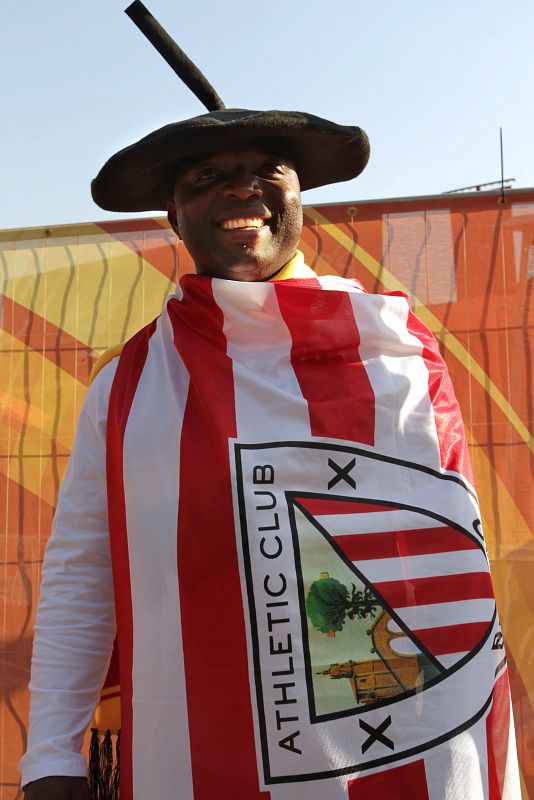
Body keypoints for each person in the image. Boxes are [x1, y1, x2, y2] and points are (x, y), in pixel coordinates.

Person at [20, 8, 520, 800]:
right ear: (174, 216)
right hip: (204, 757)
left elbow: (451, 563)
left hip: (412, 756)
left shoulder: (395, 350)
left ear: (298, 197)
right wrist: (48, 755)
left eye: (265, 171)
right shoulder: (132, 384)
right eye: (205, 180)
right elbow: (82, 569)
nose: (240, 191)